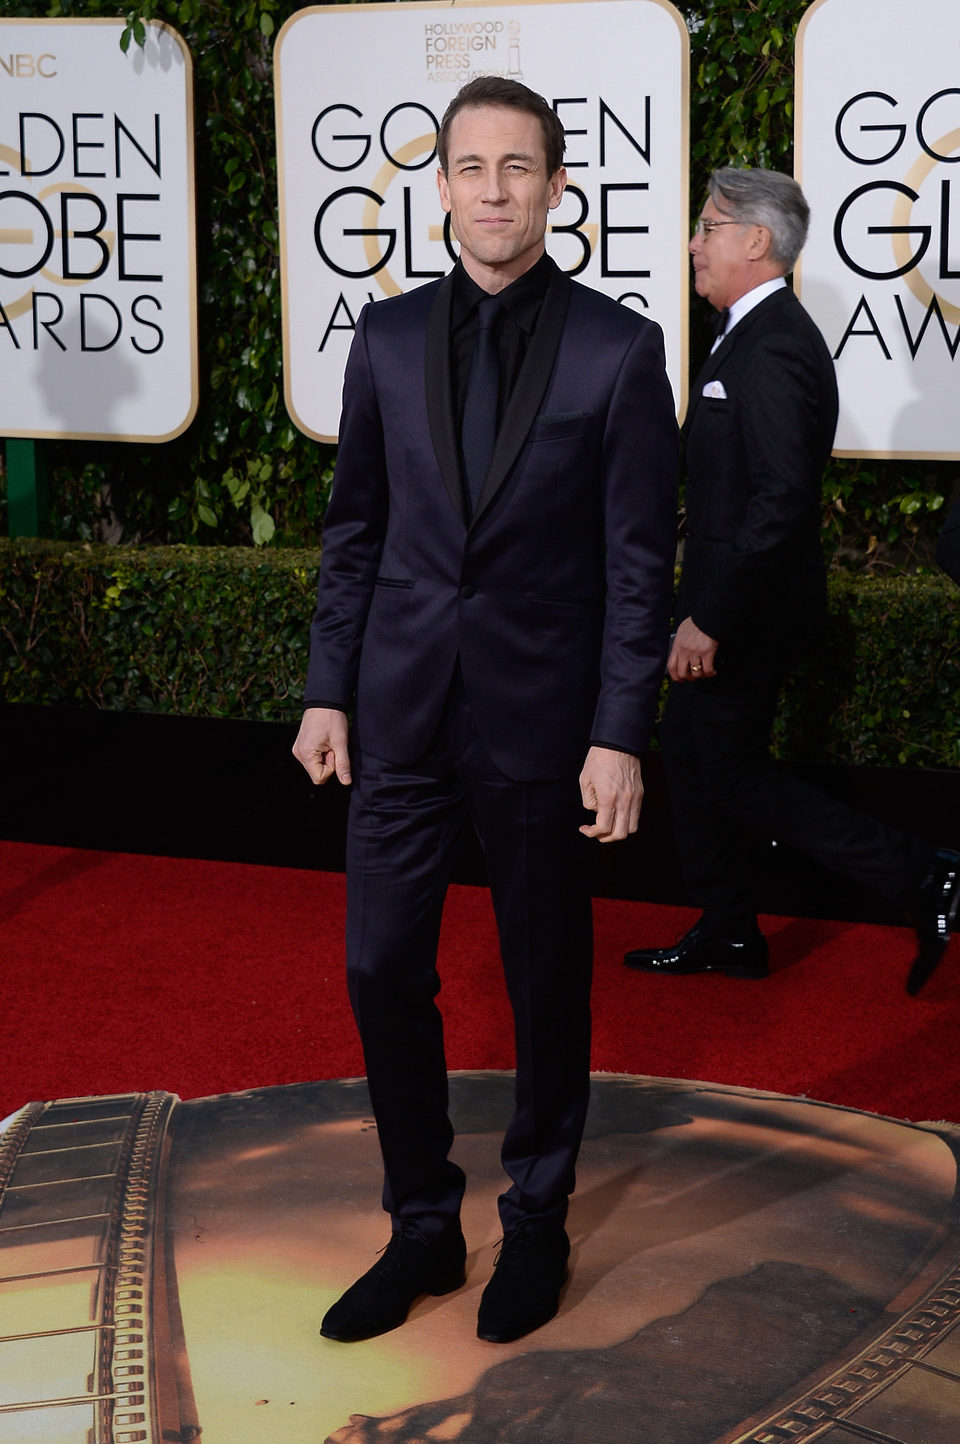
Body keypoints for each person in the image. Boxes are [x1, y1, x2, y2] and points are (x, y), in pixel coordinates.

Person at [292, 76, 678, 1345]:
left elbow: (638, 562)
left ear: (558, 187)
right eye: (472, 166)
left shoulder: (621, 349)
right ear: (442, 184)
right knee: (377, 962)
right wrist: (326, 687)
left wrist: (620, 729)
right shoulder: (387, 337)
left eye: (521, 167)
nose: (495, 189)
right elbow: (355, 532)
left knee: (543, 977)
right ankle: (420, 1225)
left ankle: (539, 1218)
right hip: (401, 712)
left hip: (546, 724)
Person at [623, 167, 960, 997]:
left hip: (748, 614)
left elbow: (781, 502)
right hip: (734, 605)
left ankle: (925, 873)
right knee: (696, 757)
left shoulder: (773, 343)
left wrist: (710, 619)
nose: (694, 244)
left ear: (755, 242)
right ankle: (731, 929)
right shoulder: (750, 333)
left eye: (708, 228)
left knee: (724, 766)